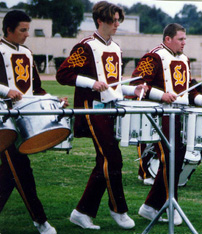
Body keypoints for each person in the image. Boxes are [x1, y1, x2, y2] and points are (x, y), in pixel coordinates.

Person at [56, 1, 144, 230]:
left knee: (103, 161)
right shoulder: (84, 47)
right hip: (91, 107)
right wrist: (91, 83)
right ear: (99, 21)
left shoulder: (116, 48)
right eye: (112, 20)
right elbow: (63, 74)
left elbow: (113, 85)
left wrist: (131, 90)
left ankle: (82, 212)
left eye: (118, 20)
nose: (116, 24)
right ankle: (119, 209)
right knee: (113, 158)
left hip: (110, 108)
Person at [131, 23, 202, 225]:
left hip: (179, 115)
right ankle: (171, 205)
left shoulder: (184, 59)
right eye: (180, 39)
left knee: (176, 159)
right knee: (171, 158)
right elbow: (136, 84)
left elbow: (188, 92)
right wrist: (162, 95)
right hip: (160, 114)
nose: (184, 43)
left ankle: (150, 207)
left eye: (185, 39)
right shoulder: (153, 56)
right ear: (168, 39)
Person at [0, 10, 64, 234]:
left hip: (24, 120)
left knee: (11, 173)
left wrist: (53, 100)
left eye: (28, 29)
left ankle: (40, 221)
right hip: (4, 122)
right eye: (22, 30)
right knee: (20, 171)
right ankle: (41, 221)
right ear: (9, 30)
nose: (27, 34)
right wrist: (6, 90)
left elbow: (36, 89)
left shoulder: (27, 53)